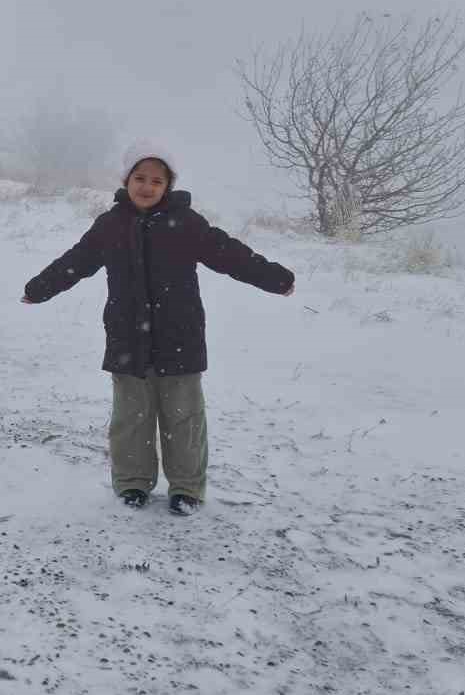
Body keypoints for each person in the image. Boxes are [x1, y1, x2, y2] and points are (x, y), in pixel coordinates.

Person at [21, 140, 295, 516]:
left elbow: (230, 254)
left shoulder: (186, 223)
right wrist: (39, 288)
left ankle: (186, 487)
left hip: (179, 336)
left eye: (156, 180)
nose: (147, 186)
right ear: (126, 179)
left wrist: (276, 279)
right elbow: (76, 261)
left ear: (168, 186)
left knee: (184, 418)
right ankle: (132, 482)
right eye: (140, 177)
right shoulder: (110, 225)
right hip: (127, 337)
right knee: (130, 418)